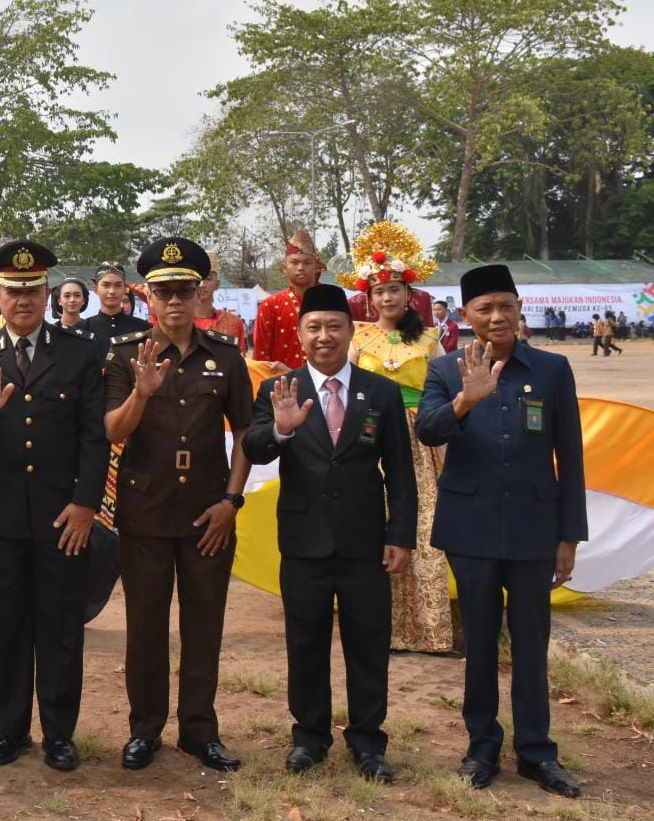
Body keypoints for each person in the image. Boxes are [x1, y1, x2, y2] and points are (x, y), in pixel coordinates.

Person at [416, 264, 586, 798]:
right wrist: (467, 399)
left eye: (504, 306)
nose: (496, 317)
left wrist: (569, 536)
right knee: (482, 644)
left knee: (532, 643)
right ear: (466, 316)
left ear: (519, 310)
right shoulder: (445, 369)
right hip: (471, 531)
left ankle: (537, 752)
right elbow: (427, 430)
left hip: (536, 530)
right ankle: (481, 747)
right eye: (483, 308)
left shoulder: (553, 369)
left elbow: (571, 456)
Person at [0, 239, 108, 772]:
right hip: (0, 513)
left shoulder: (80, 351)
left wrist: (87, 503)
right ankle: (7, 730)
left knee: (61, 626)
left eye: (33, 290)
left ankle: (59, 734)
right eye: (13, 292)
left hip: (64, 518)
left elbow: (92, 436)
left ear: (48, 293)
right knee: (7, 626)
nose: (23, 301)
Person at [244, 284, 416, 782]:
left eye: (334, 327)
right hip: (304, 541)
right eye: (314, 328)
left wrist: (400, 534)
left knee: (368, 642)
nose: (324, 337)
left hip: (366, 543)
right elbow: (256, 448)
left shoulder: (379, 391)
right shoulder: (280, 389)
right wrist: (280, 428)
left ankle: (368, 740)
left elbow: (400, 472)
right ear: (299, 335)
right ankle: (310, 736)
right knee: (305, 642)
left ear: (350, 331)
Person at [104, 237, 252, 774]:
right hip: (146, 512)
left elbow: (247, 436)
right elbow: (112, 432)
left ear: (199, 293)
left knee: (204, 623)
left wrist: (232, 501)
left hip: (208, 514)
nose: (175, 302)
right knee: (145, 625)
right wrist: (141, 393)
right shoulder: (126, 356)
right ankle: (144, 730)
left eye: (184, 291)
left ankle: (199, 731)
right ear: (148, 297)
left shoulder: (227, 359)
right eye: (164, 292)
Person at [342, 223, 452, 653]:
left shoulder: (429, 339)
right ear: (368, 299)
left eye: (393, 290)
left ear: (409, 295)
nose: (386, 298)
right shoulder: (359, 336)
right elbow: (346, 386)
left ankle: (427, 630)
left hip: (419, 436)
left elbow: (443, 391)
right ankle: (375, 626)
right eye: (378, 292)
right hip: (369, 434)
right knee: (372, 521)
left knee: (424, 527)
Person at [253, 230, 324, 371]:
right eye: (294, 262)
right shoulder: (270, 305)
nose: (301, 268)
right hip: (281, 387)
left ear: (317, 267)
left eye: (307, 263)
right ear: (284, 268)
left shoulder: (330, 301)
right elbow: (261, 359)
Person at [80, 261, 151, 352]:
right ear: (96, 289)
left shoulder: (144, 329)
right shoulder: (82, 329)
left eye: (118, 285)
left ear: (124, 289)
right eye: (106, 285)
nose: (112, 291)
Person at [193, 253, 247, 350]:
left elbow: (239, 362)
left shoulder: (233, 322)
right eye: (197, 279)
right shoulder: (178, 322)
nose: (202, 284)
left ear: (217, 284)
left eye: (208, 279)